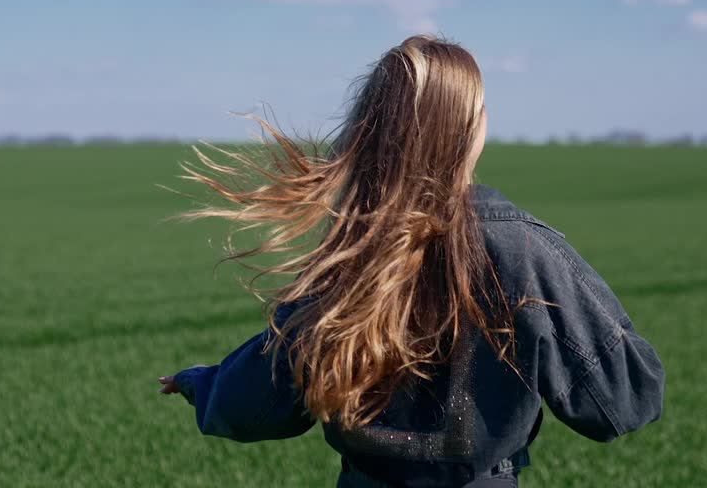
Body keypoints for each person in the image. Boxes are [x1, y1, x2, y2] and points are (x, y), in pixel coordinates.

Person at [157, 35, 665, 487]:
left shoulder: (352, 253)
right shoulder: (525, 251)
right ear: (469, 128)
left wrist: (199, 382)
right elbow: (623, 401)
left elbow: (257, 406)